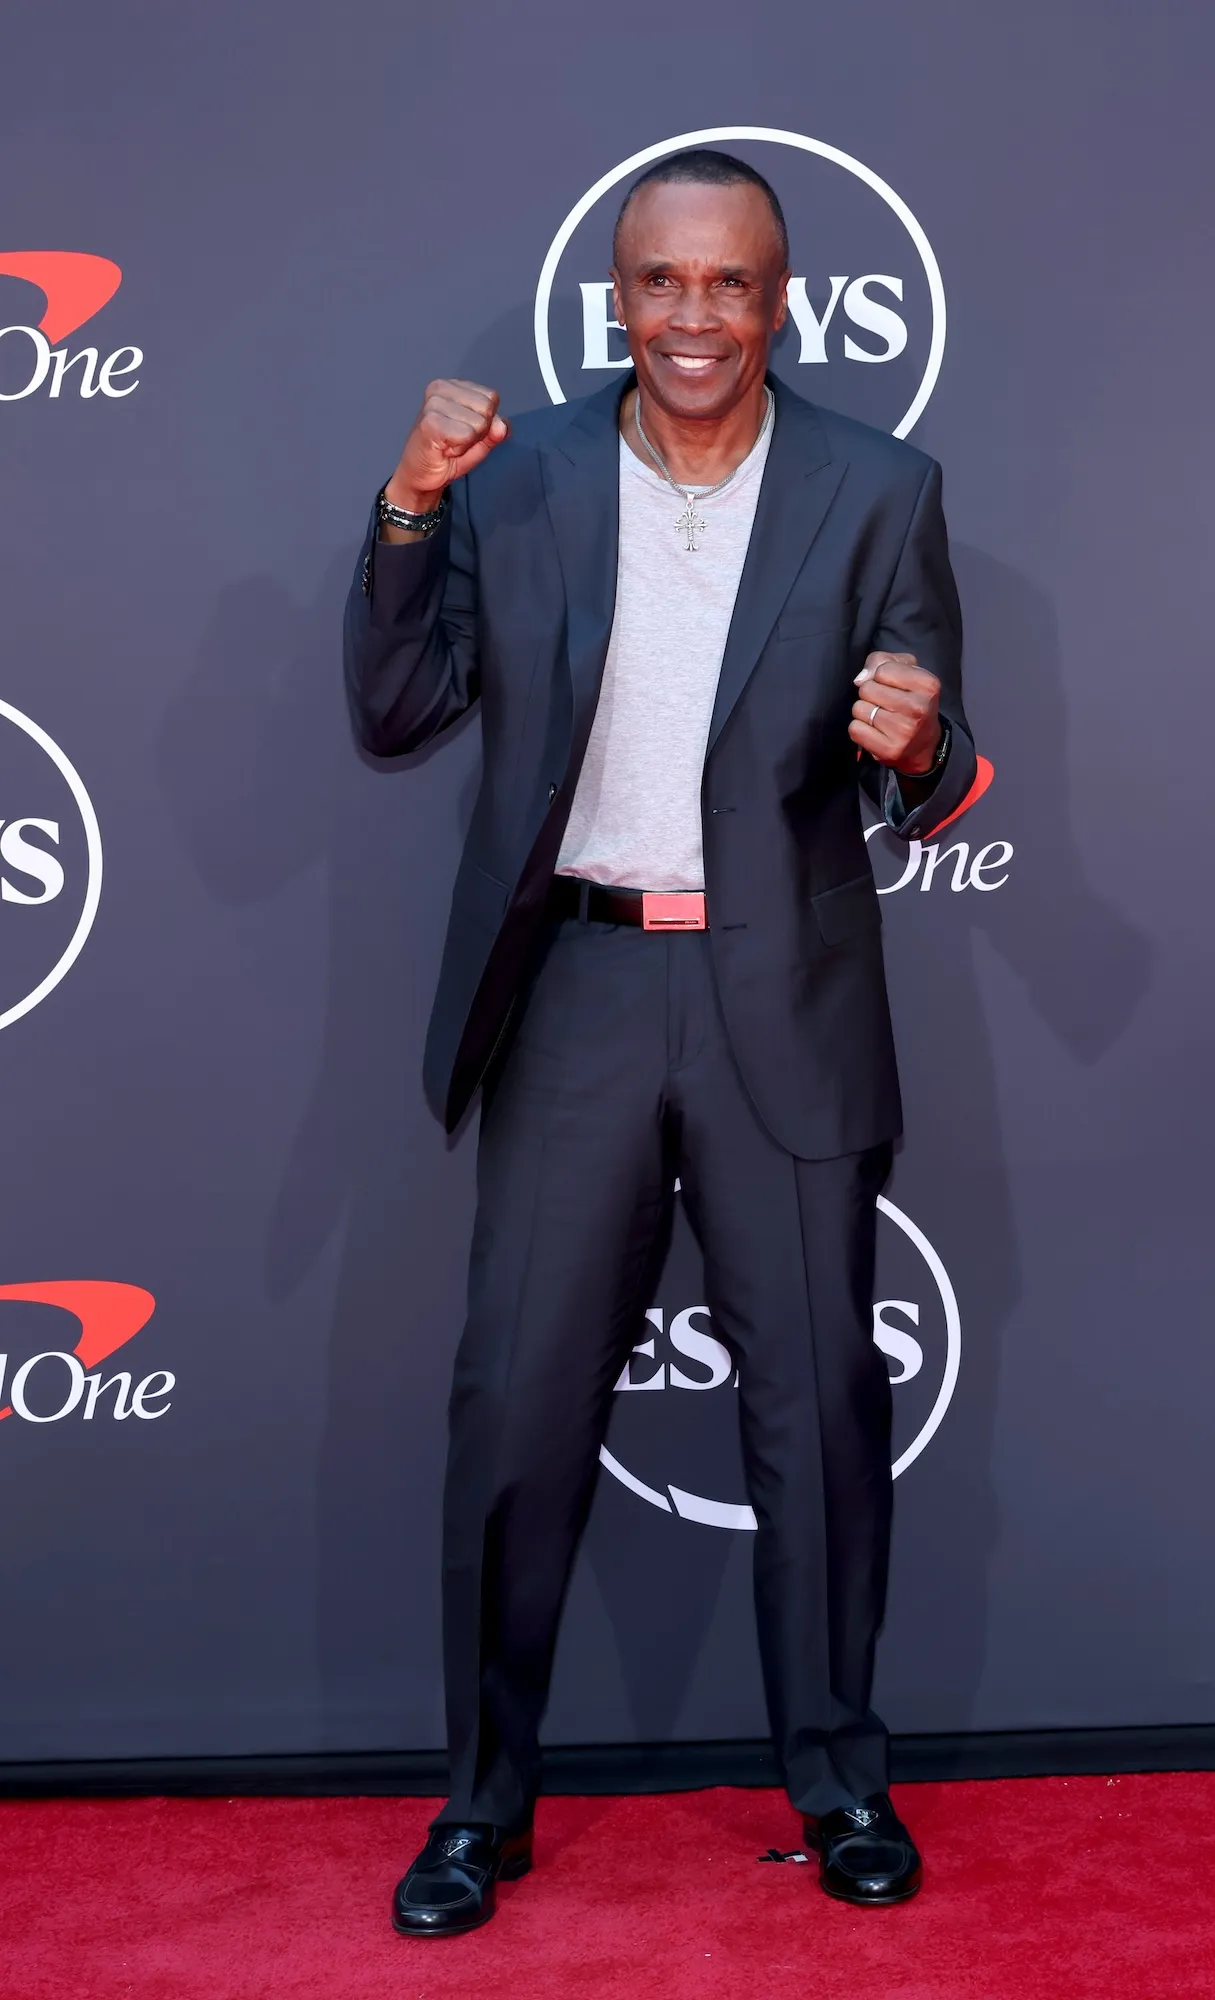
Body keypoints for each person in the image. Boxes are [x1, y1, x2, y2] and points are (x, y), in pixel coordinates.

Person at [344, 148, 976, 1936]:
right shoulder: (519, 474)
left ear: (783, 301)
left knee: (822, 1420)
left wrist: (918, 742)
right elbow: (395, 708)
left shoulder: (883, 487)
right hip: (580, 994)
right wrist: (408, 508)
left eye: (731, 283)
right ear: (616, 296)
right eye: (661, 282)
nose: (695, 315)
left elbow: (935, 764)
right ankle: (482, 1809)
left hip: (788, 1003)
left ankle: (841, 1783)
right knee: (516, 1417)